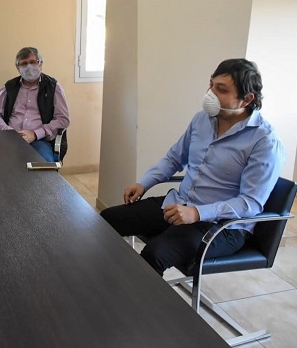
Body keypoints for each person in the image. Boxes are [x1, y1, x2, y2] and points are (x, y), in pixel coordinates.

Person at [100, 58, 285, 276]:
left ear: (247, 99)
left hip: (222, 226)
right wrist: (144, 183)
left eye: (221, 89)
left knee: (154, 254)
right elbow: (174, 158)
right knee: (107, 220)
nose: (210, 93)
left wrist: (197, 213)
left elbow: (250, 202)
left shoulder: (265, 141)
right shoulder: (201, 120)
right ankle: (106, 283)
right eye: (211, 85)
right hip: (180, 204)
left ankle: (136, 297)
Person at [0, 46, 70, 162]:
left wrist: (35, 134)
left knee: (44, 166)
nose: (29, 67)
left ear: (40, 63)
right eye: (24, 64)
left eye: (33, 62)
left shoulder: (54, 88)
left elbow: (63, 119)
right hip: (9, 138)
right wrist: (9, 132)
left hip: (40, 140)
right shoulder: (8, 88)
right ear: (18, 68)